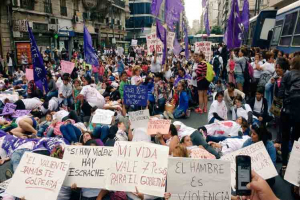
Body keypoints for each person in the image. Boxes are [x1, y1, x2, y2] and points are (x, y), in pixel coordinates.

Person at [278, 55, 300, 177]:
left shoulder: (287, 75)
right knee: (296, 139)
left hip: (287, 111)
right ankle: (296, 166)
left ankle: (285, 165)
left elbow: (280, 94)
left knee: (285, 139)